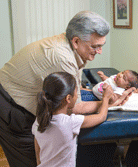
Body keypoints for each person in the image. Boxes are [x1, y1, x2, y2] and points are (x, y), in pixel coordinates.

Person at [0, 11, 128, 167]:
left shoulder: (72, 46)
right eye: (96, 46)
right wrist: (106, 102)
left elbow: (75, 91)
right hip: (11, 107)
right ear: (76, 41)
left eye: (101, 46)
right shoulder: (62, 57)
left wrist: (100, 96)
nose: (99, 51)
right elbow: (75, 107)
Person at [32, 72, 113, 167]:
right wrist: (106, 98)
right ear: (68, 98)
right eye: (76, 92)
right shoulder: (70, 122)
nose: (78, 95)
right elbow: (101, 117)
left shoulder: (38, 120)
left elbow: (38, 156)